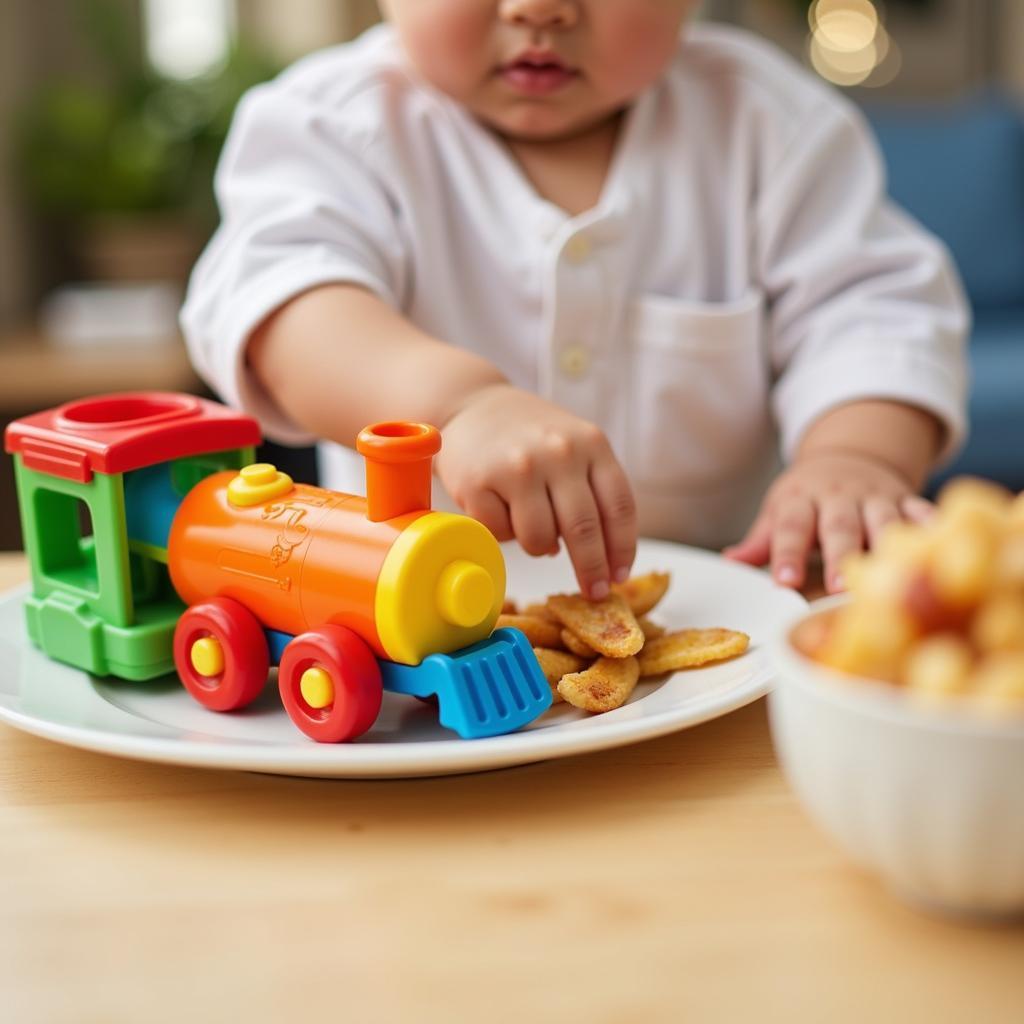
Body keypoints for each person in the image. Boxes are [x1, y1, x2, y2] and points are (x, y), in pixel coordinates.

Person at [181, 0, 968, 601]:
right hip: (399, 625)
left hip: (721, 624)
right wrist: (457, 408)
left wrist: (855, 457)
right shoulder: (331, 124)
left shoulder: (768, 126)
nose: (539, 7)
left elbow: (874, 312)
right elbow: (284, 306)